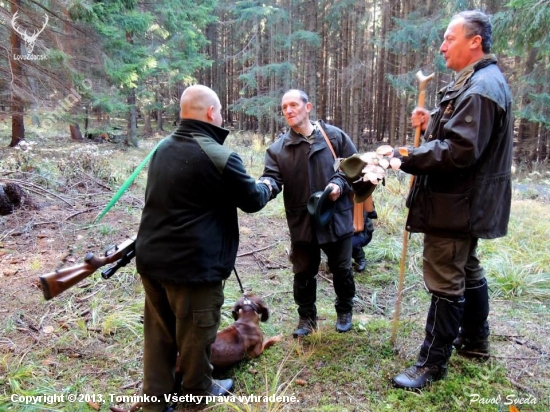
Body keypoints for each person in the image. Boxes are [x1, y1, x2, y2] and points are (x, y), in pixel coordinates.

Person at [384, 11, 513, 390]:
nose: (442, 46)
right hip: (463, 202)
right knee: (466, 269)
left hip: (458, 203)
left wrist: (405, 156)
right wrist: (433, 119)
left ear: (475, 42)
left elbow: (460, 151)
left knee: (444, 277)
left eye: (449, 38)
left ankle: (431, 363)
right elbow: (461, 131)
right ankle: (474, 340)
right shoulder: (477, 82)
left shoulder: (483, 86)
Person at [135, 85, 272, 411]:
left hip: (152, 260)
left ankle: (157, 398)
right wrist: (269, 184)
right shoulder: (219, 155)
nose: (221, 116)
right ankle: (197, 391)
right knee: (197, 333)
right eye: (220, 111)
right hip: (193, 268)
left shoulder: (161, 148)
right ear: (211, 113)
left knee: (159, 334)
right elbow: (253, 199)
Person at [259, 89, 359, 337]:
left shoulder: (333, 137)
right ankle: (306, 318)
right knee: (303, 272)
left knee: (342, 269)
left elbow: (354, 167)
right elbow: (271, 179)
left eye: (293, 105)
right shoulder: (278, 149)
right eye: (284, 107)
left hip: (336, 217)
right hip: (302, 221)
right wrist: (262, 187)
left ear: (308, 107)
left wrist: (339, 183)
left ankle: (344, 310)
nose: (289, 110)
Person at [351, 196, 377, 272]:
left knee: (349, 241)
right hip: (343, 231)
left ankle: (360, 258)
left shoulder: (360, 196)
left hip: (362, 233)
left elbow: (358, 225)